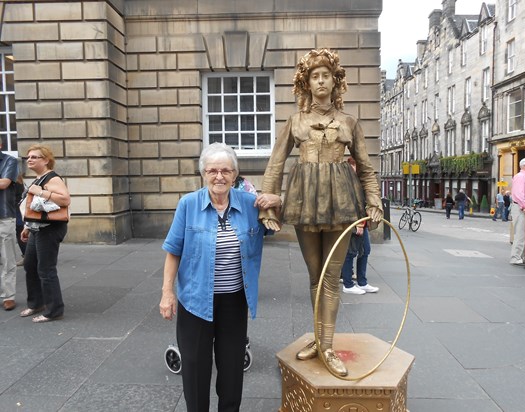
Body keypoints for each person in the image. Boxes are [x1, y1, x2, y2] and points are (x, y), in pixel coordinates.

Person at [256, 49, 384, 377]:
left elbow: (367, 169)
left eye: (327, 75)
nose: (321, 80)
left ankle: (327, 345)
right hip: (306, 200)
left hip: (340, 201)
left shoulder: (349, 123)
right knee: (314, 275)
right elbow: (276, 162)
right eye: (315, 76)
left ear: (335, 81)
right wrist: (268, 206)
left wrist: (374, 202)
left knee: (332, 276)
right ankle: (317, 337)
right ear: (307, 83)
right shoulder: (295, 121)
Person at [159, 143, 277, 412]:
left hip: (235, 301)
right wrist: (168, 293)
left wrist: (277, 201)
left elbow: (284, 220)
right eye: (212, 170)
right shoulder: (188, 204)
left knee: (232, 369)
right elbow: (173, 251)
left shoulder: (251, 204)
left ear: (235, 174)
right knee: (195, 370)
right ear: (203, 173)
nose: (219, 176)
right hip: (196, 300)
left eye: (226, 170)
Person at [19, 145, 70, 322]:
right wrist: (27, 226)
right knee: (30, 265)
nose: (30, 160)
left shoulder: (52, 178)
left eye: (34, 157)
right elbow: (34, 207)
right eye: (28, 157)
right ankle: (36, 303)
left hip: (50, 228)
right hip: (37, 227)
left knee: (46, 269)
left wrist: (40, 191)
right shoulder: (38, 178)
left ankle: (54, 310)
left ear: (46, 160)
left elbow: (65, 199)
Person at [341, 157, 378, 295]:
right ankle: (348, 284)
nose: (355, 169)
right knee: (350, 253)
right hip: (353, 223)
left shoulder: (359, 182)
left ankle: (362, 282)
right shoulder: (346, 185)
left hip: (362, 222)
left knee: (365, 251)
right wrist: (357, 225)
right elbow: (348, 206)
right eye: (353, 166)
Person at [0, 141, 19, 311]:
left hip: (4, 216)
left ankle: (8, 296)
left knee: (7, 258)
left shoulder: (9, 161)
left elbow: (4, 183)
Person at [15, 172, 26, 265]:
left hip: (15, 210)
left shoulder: (14, 181)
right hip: (18, 209)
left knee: (20, 233)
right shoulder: (19, 180)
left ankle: (26, 256)